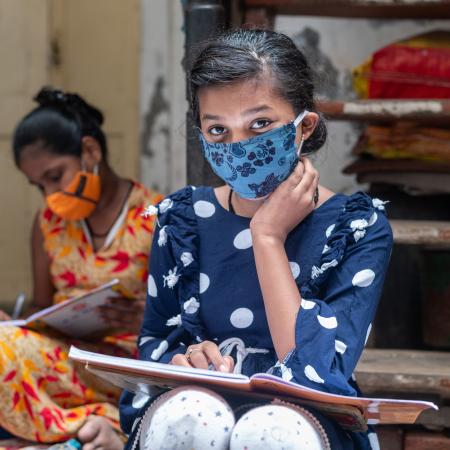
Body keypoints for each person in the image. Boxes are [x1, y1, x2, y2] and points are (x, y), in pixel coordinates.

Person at [120, 29, 393, 449]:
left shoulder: (356, 229)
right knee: (187, 416)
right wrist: (185, 360)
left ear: (304, 127)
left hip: (305, 425)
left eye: (260, 124)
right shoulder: (182, 222)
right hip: (195, 414)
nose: (239, 145)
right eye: (218, 130)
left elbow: (316, 369)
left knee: (275, 431)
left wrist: (267, 237)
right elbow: (155, 347)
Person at [0, 87, 162, 450]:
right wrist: (15, 324)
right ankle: (89, 426)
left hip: (127, 367)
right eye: (38, 186)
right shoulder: (48, 225)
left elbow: (187, 319)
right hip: (66, 356)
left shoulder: (157, 216)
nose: (49, 195)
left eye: (55, 177)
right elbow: (40, 305)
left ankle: (103, 422)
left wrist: (146, 320)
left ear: (91, 152)